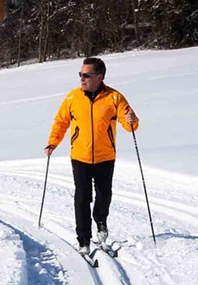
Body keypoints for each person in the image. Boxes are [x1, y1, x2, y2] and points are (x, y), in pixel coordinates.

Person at [44, 57, 139, 255]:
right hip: (80, 156)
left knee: (104, 195)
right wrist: (53, 142)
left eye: (86, 75)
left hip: (106, 156)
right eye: (80, 74)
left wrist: (132, 120)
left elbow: (129, 123)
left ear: (99, 77)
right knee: (82, 197)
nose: (82, 78)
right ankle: (83, 240)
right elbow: (61, 122)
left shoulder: (114, 98)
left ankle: (101, 222)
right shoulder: (72, 98)